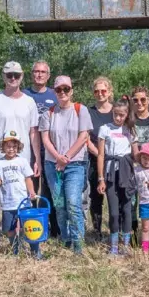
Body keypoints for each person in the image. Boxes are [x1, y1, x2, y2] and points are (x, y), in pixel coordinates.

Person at [0, 61, 41, 242]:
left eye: (16, 75)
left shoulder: (29, 102)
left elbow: (33, 132)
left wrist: (36, 158)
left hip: (22, 159)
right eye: (9, 75)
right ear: (3, 77)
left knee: (21, 198)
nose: (13, 78)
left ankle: (20, 236)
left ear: (22, 76)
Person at [39, 75, 92, 254]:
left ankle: (78, 243)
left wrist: (66, 157)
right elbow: (45, 138)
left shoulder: (80, 110)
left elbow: (83, 136)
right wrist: (57, 157)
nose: (62, 92)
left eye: (66, 89)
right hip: (52, 164)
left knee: (73, 202)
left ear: (71, 91)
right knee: (59, 204)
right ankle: (65, 237)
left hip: (75, 164)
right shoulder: (49, 113)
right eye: (59, 89)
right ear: (54, 91)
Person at [0, 131, 38, 255]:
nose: (11, 149)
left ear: (18, 147)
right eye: (8, 146)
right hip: (8, 202)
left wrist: (32, 192)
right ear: (2, 147)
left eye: (14, 146)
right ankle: (15, 246)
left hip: (23, 201)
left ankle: (33, 250)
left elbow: (28, 179)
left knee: (28, 226)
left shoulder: (22, 161)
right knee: (8, 228)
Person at [97, 98, 136, 256]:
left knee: (127, 209)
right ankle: (113, 247)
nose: (118, 118)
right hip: (110, 171)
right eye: (116, 114)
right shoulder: (105, 129)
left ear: (127, 115)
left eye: (121, 115)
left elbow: (136, 153)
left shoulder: (131, 130)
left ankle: (125, 246)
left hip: (126, 171)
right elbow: (100, 154)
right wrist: (101, 178)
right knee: (113, 211)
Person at [23, 60, 58, 235]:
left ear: (48, 75)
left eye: (43, 72)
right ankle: (32, 224)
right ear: (31, 74)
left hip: (50, 149)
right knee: (30, 189)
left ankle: (53, 226)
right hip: (27, 150)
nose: (39, 74)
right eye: (36, 71)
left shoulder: (55, 95)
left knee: (50, 189)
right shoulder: (23, 95)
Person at [86, 77, 114, 238]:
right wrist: (100, 154)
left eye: (103, 90)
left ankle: (114, 230)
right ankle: (97, 231)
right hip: (94, 159)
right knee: (96, 197)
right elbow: (86, 137)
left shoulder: (117, 111)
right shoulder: (89, 112)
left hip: (115, 161)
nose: (100, 94)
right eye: (96, 91)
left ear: (109, 92)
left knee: (113, 196)